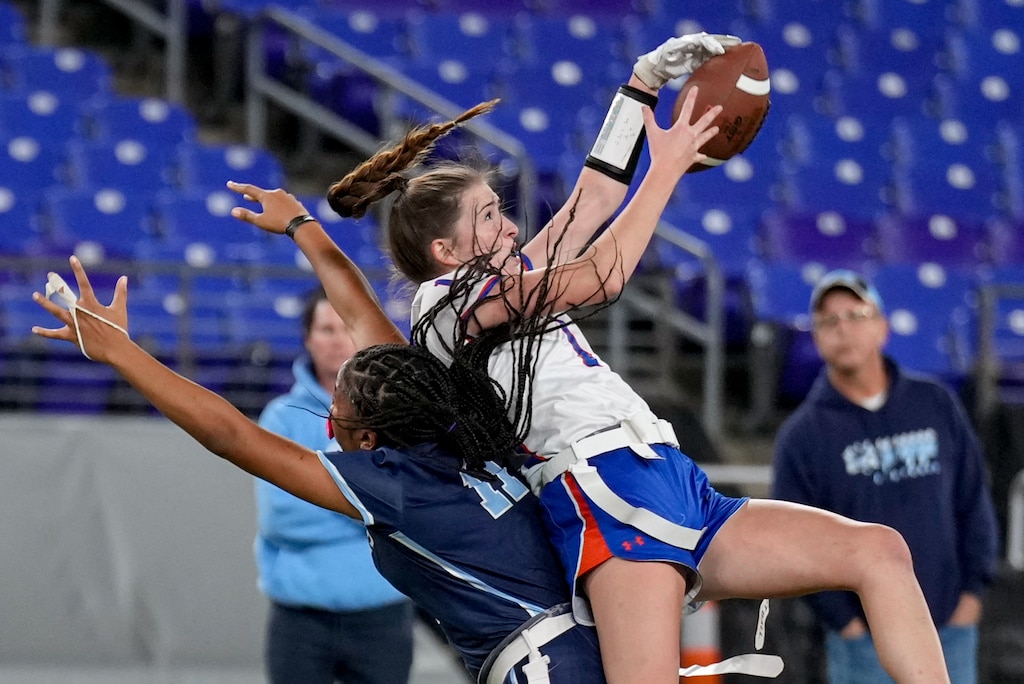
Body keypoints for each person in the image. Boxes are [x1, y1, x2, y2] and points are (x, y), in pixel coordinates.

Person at [307, 36, 954, 684]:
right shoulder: (448, 301)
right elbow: (603, 276)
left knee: (879, 552)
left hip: (667, 474)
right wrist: (669, 167)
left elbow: (592, 198)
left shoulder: (497, 288)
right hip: (604, 484)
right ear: (447, 251)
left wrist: (641, 84)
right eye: (489, 216)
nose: (508, 226)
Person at [31, 255, 605, 684]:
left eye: (337, 418)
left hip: (542, 660)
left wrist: (121, 353)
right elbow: (367, 320)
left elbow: (229, 435)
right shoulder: (456, 433)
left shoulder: (394, 483)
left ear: (370, 439)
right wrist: (305, 228)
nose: (329, 423)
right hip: (579, 637)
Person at [771, 269, 1000, 684]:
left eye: (856, 315)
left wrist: (971, 598)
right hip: (863, 644)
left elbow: (973, 499)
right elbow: (793, 547)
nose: (844, 330)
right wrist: (847, 624)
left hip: (949, 629)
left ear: (882, 326)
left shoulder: (935, 403)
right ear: (818, 339)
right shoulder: (801, 437)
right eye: (829, 321)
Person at [254, 286, 414, 684]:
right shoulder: (280, 419)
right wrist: (365, 505)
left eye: (345, 327)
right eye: (326, 329)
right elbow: (280, 518)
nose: (337, 339)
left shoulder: (395, 415)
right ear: (308, 338)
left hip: (383, 616)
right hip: (300, 620)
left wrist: (319, 495)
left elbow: (406, 506)